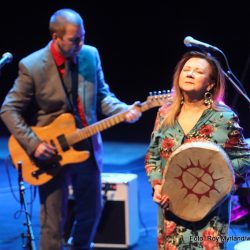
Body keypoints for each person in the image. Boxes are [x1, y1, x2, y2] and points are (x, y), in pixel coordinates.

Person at [0, 8, 141, 250]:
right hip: (50, 152)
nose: (81, 43)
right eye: (74, 39)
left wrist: (123, 110)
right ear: (56, 38)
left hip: (86, 146)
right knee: (53, 222)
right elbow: (8, 109)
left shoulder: (90, 55)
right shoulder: (32, 65)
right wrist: (34, 144)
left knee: (92, 213)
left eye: (83, 36)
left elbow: (103, 97)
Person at [144, 51, 250, 249]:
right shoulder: (165, 113)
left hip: (209, 215)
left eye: (198, 71)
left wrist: (220, 186)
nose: (190, 74)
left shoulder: (223, 117)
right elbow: (153, 156)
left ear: (210, 84)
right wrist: (157, 186)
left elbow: (244, 160)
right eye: (186, 69)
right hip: (171, 210)